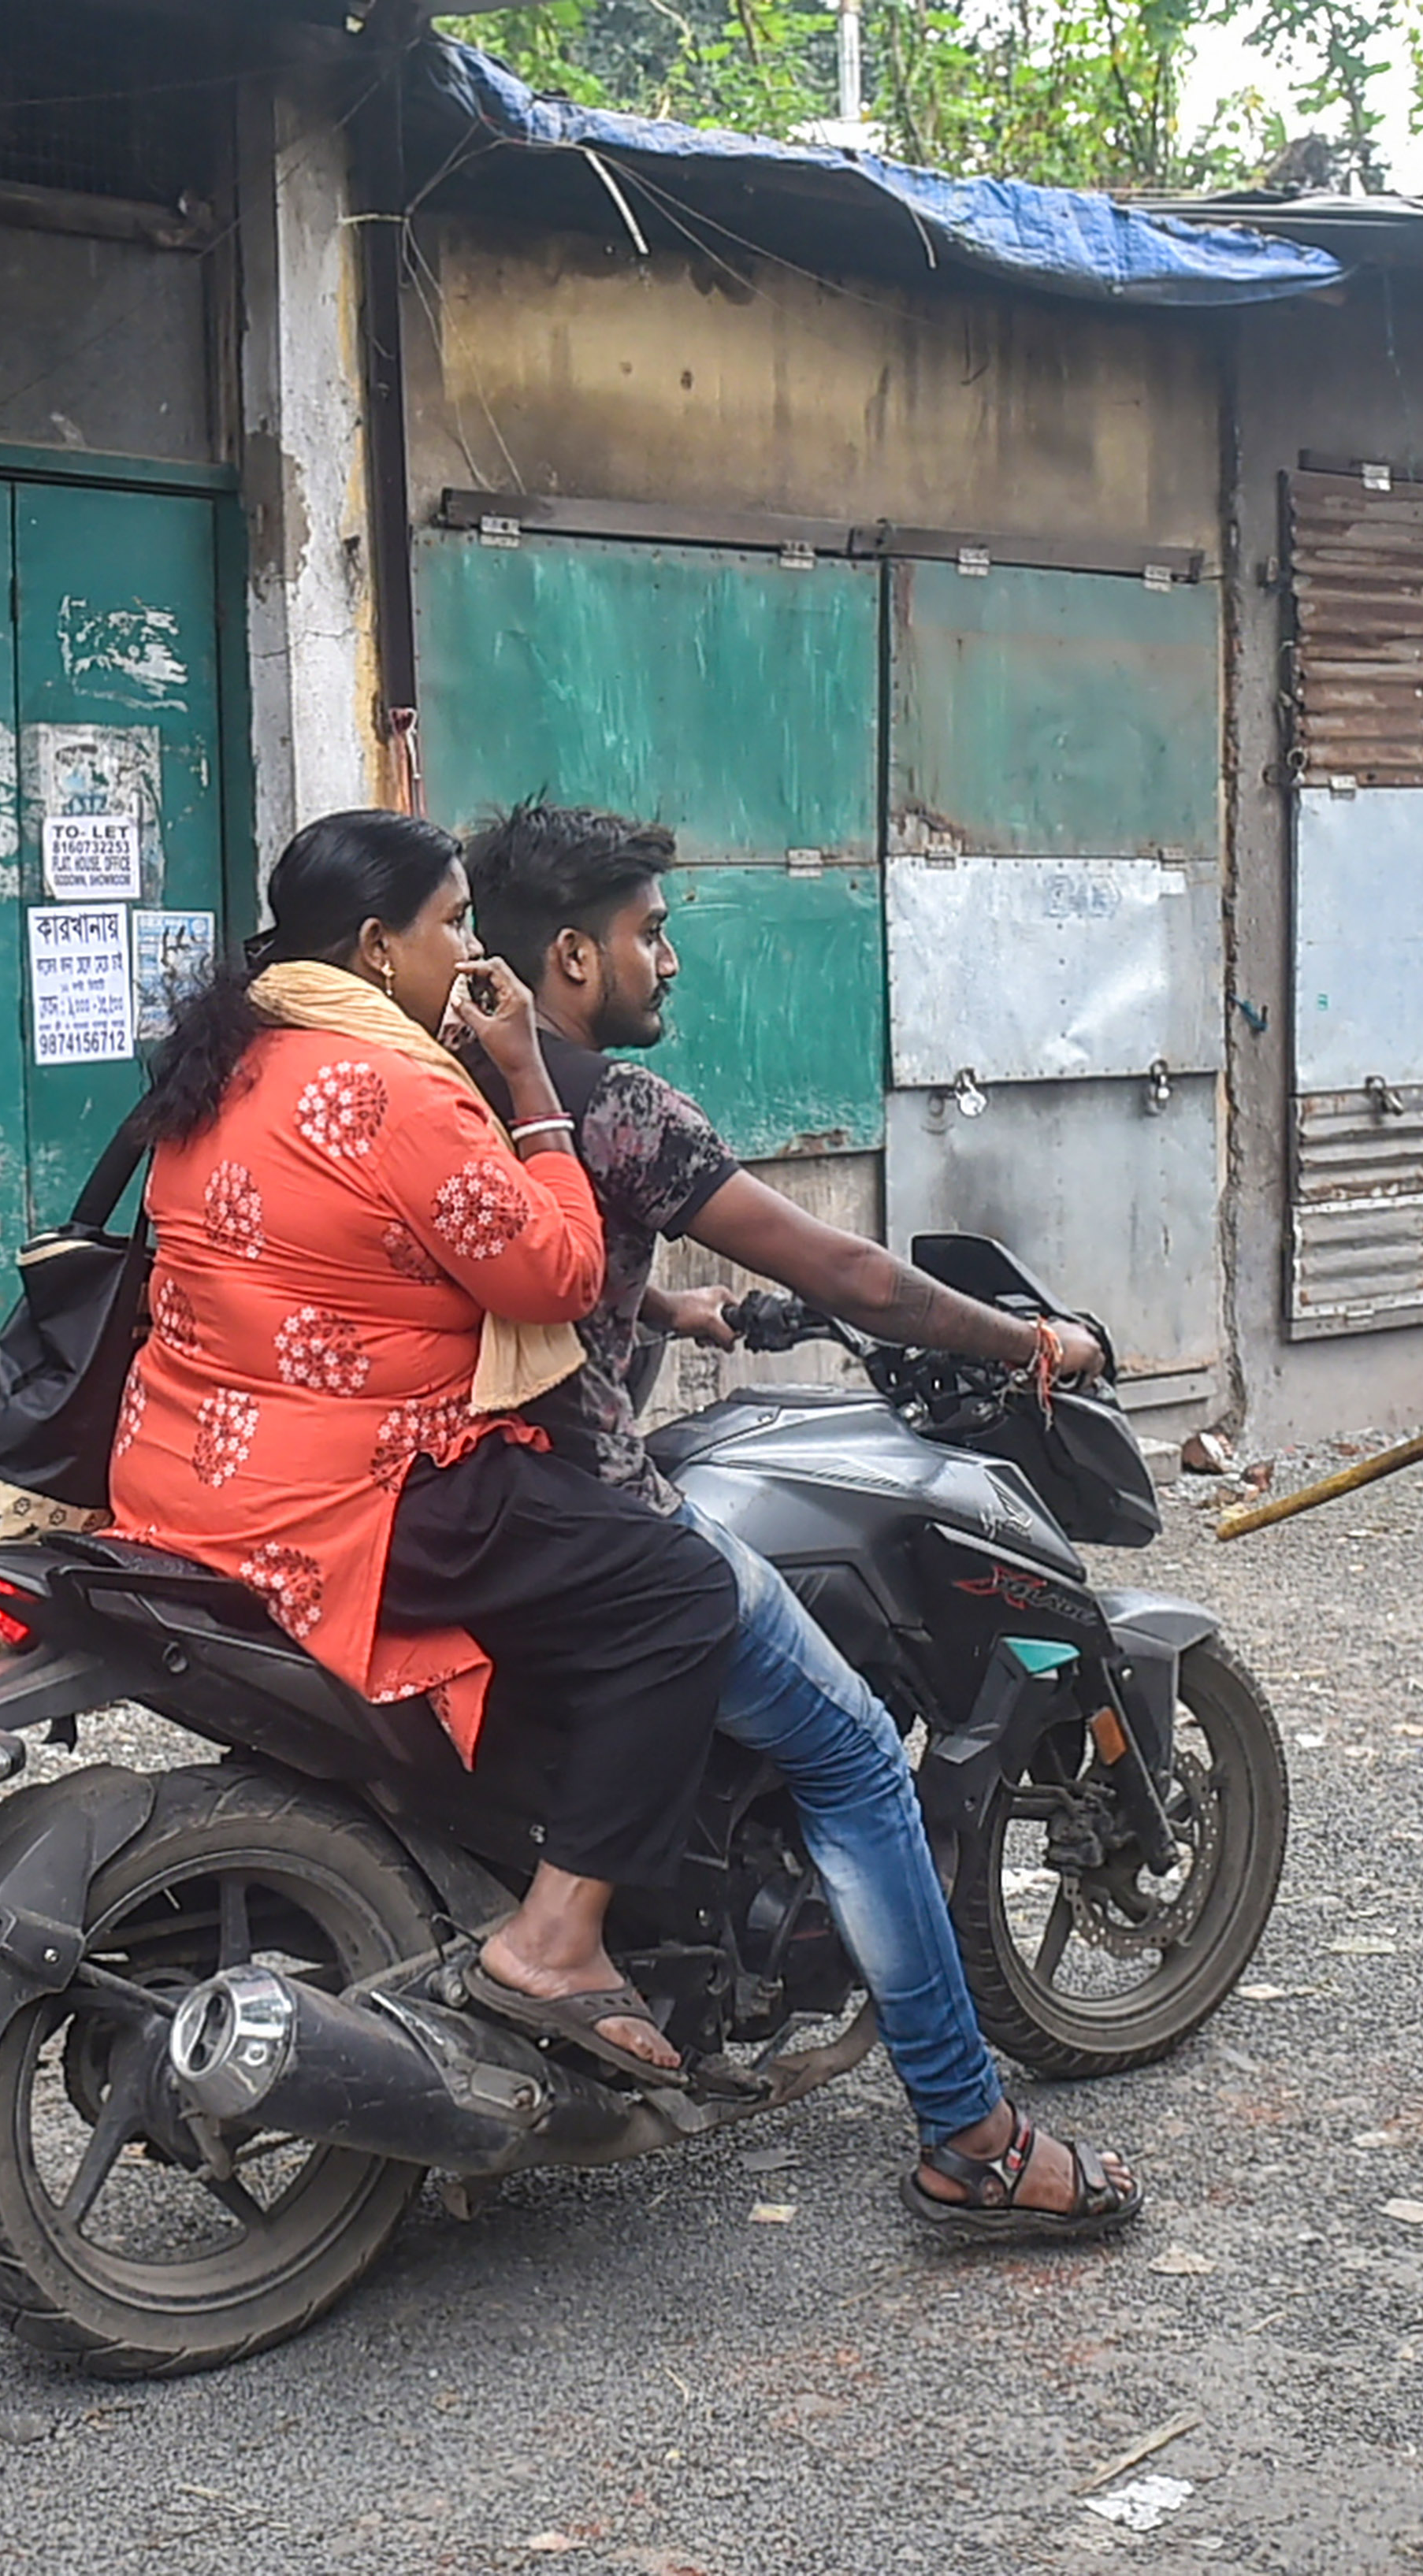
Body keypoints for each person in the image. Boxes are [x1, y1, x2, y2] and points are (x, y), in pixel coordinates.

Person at [459, 798, 1142, 2242]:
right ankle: (971, 2133)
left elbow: (528, 1238)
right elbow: (854, 1275)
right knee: (852, 1755)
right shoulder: (624, 1112)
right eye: (652, 934)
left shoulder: (450, 1074)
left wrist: (657, 1295)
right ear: (572, 959)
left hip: (453, 1496)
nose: (672, 961)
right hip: (587, 1499)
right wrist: (1029, 1345)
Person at [111, 809, 739, 2081]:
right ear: (375, 947)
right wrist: (523, 1083)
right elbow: (558, 1271)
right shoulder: (394, 1084)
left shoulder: (229, 1055)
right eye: (449, 925)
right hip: (352, 1492)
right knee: (681, 1591)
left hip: (181, 1475)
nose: (466, 949)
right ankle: (558, 1938)